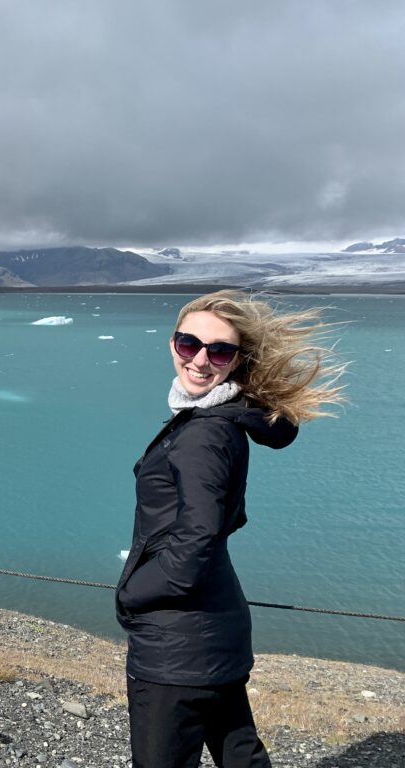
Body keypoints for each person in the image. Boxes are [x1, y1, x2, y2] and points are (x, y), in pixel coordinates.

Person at [115, 290, 345, 768]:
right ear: (172, 342)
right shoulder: (221, 421)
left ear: (238, 360)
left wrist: (135, 592)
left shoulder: (203, 433)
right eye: (188, 343)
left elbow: (198, 536)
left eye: (219, 350)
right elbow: (225, 519)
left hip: (175, 646)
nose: (200, 360)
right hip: (217, 633)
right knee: (241, 756)